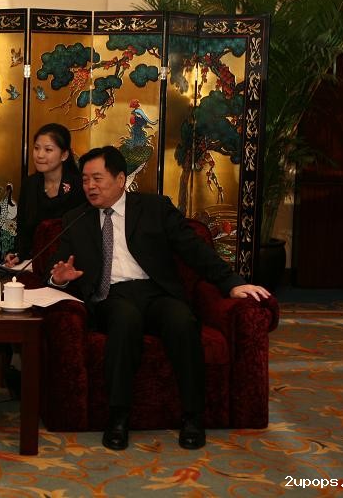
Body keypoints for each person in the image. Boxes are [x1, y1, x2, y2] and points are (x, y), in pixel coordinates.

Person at [48, 145, 270, 451]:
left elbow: (194, 250)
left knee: (182, 322)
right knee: (125, 321)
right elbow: (58, 266)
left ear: (120, 179)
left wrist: (231, 283)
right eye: (85, 180)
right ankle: (118, 417)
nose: (90, 186)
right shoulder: (76, 218)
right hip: (112, 295)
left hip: (157, 292)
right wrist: (58, 277)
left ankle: (193, 417)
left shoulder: (154, 208)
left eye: (97, 178)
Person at [4, 123, 86, 266]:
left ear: (64, 155)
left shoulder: (79, 185)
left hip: (70, 263)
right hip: (34, 262)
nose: (40, 155)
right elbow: (23, 228)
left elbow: (84, 234)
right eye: (36, 148)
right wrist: (18, 254)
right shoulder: (29, 185)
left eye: (48, 150)